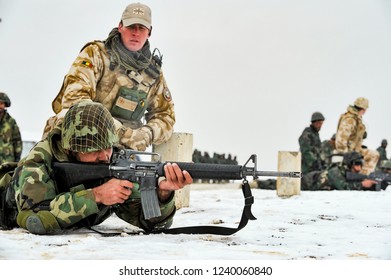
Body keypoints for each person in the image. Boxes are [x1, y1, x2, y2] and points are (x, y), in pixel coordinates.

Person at [1, 101, 192, 234]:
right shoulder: (38, 162)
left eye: (108, 147)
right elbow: (35, 220)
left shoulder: (114, 162)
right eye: (94, 150)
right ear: (70, 149)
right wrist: (96, 196)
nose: (105, 156)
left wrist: (162, 195)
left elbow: (154, 225)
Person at [42, 2, 174, 152]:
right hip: (82, 143)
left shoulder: (153, 74)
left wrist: (147, 133)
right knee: (65, 116)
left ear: (149, 32)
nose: (135, 33)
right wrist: (123, 134)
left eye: (141, 28)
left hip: (124, 152)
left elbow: (165, 116)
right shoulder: (95, 54)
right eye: (131, 26)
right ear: (120, 26)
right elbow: (75, 101)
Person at [335, 97, 379, 175]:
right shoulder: (350, 119)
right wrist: (347, 156)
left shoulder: (356, 119)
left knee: (373, 154)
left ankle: (362, 177)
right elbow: (340, 141)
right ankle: (361, 179)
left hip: (355, 151)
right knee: (373, 155)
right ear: (363, 109)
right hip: (349, 152)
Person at [301, 151, 377, 191]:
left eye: (361, 164)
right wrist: (362, 184)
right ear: (349, 164)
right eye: (357, 164)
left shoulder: (347, 173)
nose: (359, 168)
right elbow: (343, 187)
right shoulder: (335, 171)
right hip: (304, 184)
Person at [0, 92, 22, 164]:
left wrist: (17, 159)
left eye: (2, 103)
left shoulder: (11, 122)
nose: (0, 105)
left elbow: (17, 140)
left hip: (7, 161)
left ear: (5, 105)